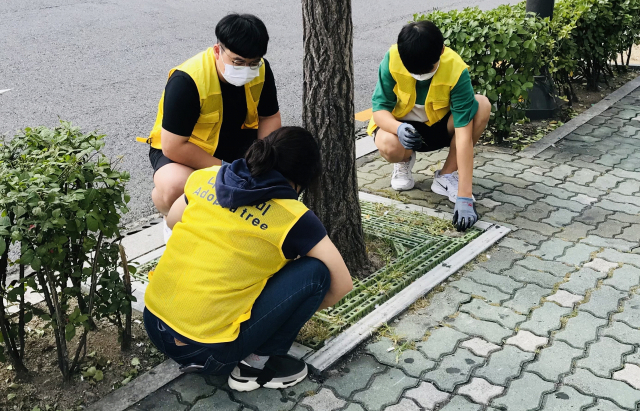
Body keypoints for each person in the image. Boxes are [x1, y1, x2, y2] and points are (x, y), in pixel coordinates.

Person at [143, 126, 353, 392]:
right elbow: (342, 284)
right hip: (207, 354)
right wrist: (281, 314)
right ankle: (253, 366)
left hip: (154, 323)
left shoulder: (209, 176)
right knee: (316, 273)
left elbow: (173, 220)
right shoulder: (294, 217)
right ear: (303, 178)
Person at [139, 13, 282, 239]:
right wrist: (226, 170)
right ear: (217, 51)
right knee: (176, 188)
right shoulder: (186, 80)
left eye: (253, 63)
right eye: (238, 62)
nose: (247, 69)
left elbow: (269, 117)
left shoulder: (262, 70)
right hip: (186, 151)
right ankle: (173, 222)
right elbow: (173, 146)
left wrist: (264, 156)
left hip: (236, 144)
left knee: (275, 170)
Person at [368, 20, 491, 231]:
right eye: (414, 71)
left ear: (442, 50)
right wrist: (397, 128)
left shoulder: (455, 68)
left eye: (429, 68)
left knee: (481, 105)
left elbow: (463, 135)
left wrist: (464, 197)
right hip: (403, 130)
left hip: (439, 128)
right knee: (389, 144)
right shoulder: (392, 58)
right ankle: (404, 160)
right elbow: (379, 110)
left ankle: (446, 176)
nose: (421, 75)